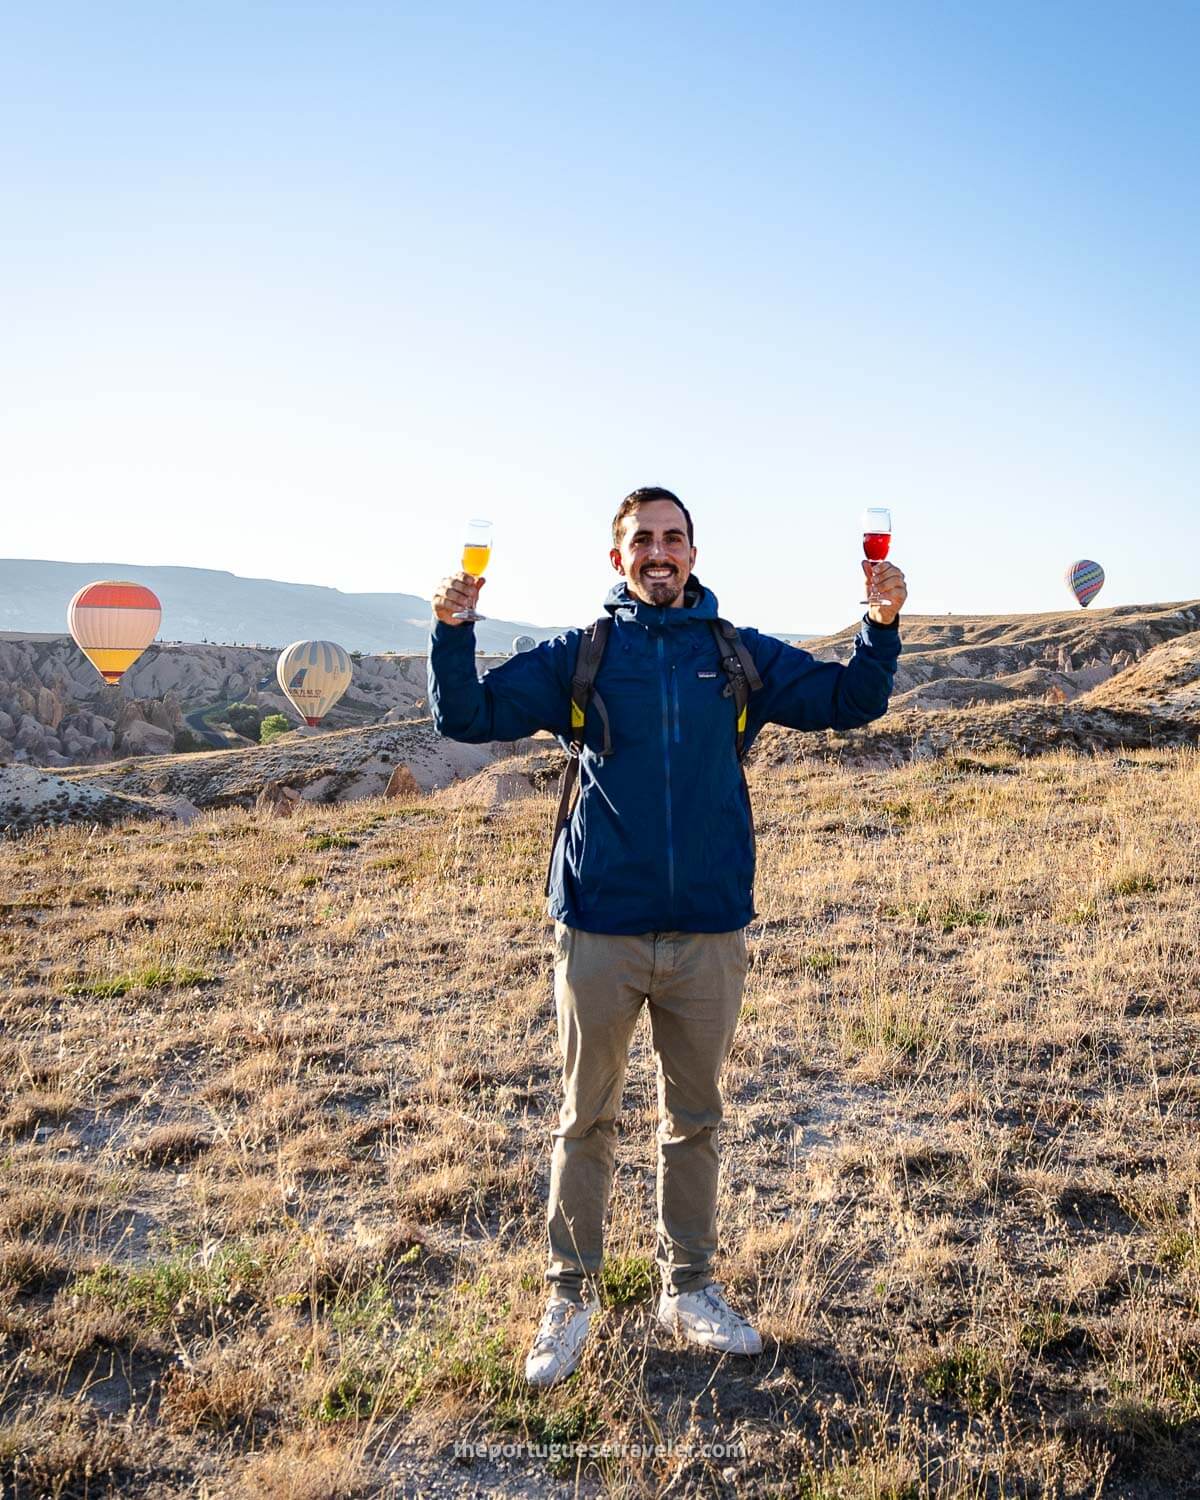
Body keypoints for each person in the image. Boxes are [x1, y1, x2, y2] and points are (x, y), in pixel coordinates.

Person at [429, 487, 906, 1388]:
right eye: (641, 540)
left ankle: (689, 1288)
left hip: (709, 931)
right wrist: (453, 633)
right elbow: (468, 718)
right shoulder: (584, 654)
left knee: (696, 1121)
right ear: (618, 559)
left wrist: (879, 625)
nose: (659, 552)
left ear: (692, 552)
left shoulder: (736, 656)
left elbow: (850, 702)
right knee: (586, 1121)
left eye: (672, 538)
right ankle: (569, 1300)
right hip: (601, 924)